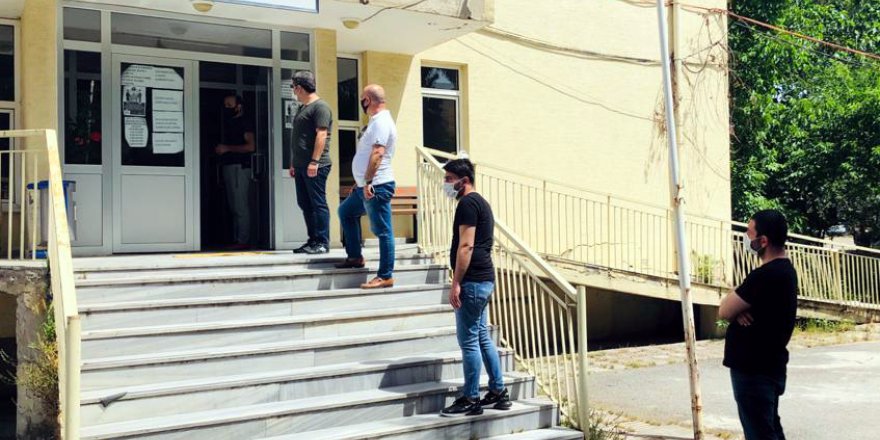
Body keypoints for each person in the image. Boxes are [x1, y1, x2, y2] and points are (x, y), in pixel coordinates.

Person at [439, 159, 511, 417]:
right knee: (481, 336)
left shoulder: (468, 204)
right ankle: (498, 391)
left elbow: (466, 246)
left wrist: (456, 282)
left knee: (468, 341)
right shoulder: (482, 203)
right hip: (485, 280)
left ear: (464, 180)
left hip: (472, 282)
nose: (446, 184)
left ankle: (471, 398)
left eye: (449, 179)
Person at [719, 209, 798, 440]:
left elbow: (724, 310)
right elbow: (735, 309)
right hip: (767, 366)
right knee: (769, 429)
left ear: (763, 241)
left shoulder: (766, 275)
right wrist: (739, 310)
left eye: (749, 232)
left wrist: (736, 308)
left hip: (754, 370)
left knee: (760, 433)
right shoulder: (784, 271)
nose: (745, 237)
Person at [335, 84, 397, 289]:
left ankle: (385, 276)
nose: (361, 102)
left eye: (362, 99)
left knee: (383, 231)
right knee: (346, 211)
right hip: (366, 185)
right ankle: (355, 257)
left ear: (368, 100)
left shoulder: (381, 122)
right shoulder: (375, 122)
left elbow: (377, 154)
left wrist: (368, 181)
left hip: (377, 185)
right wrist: (360, 181)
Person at [289, 71, 333, 254]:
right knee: (305, 203)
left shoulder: (320, 107)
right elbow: (299, 138)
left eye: (293, 87)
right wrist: (294, 163)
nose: (293, 91)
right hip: (301, 165)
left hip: (316, 165)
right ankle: (312, 241)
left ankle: (322, 242)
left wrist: (314, 162)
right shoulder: (303, 108)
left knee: (317, 203)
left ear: (299, 88)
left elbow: (321, 135)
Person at [216, 94, 255, 250]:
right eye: (225, 105)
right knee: (233, 206)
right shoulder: (228, 123)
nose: (226, 108)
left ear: (238, 106)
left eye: (229, 105)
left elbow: (251, 146)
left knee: (240, 206)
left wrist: (227, 148)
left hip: (240, 167)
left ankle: (243, 241)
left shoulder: (244, 122)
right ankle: (236, 240)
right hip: (229, 167)